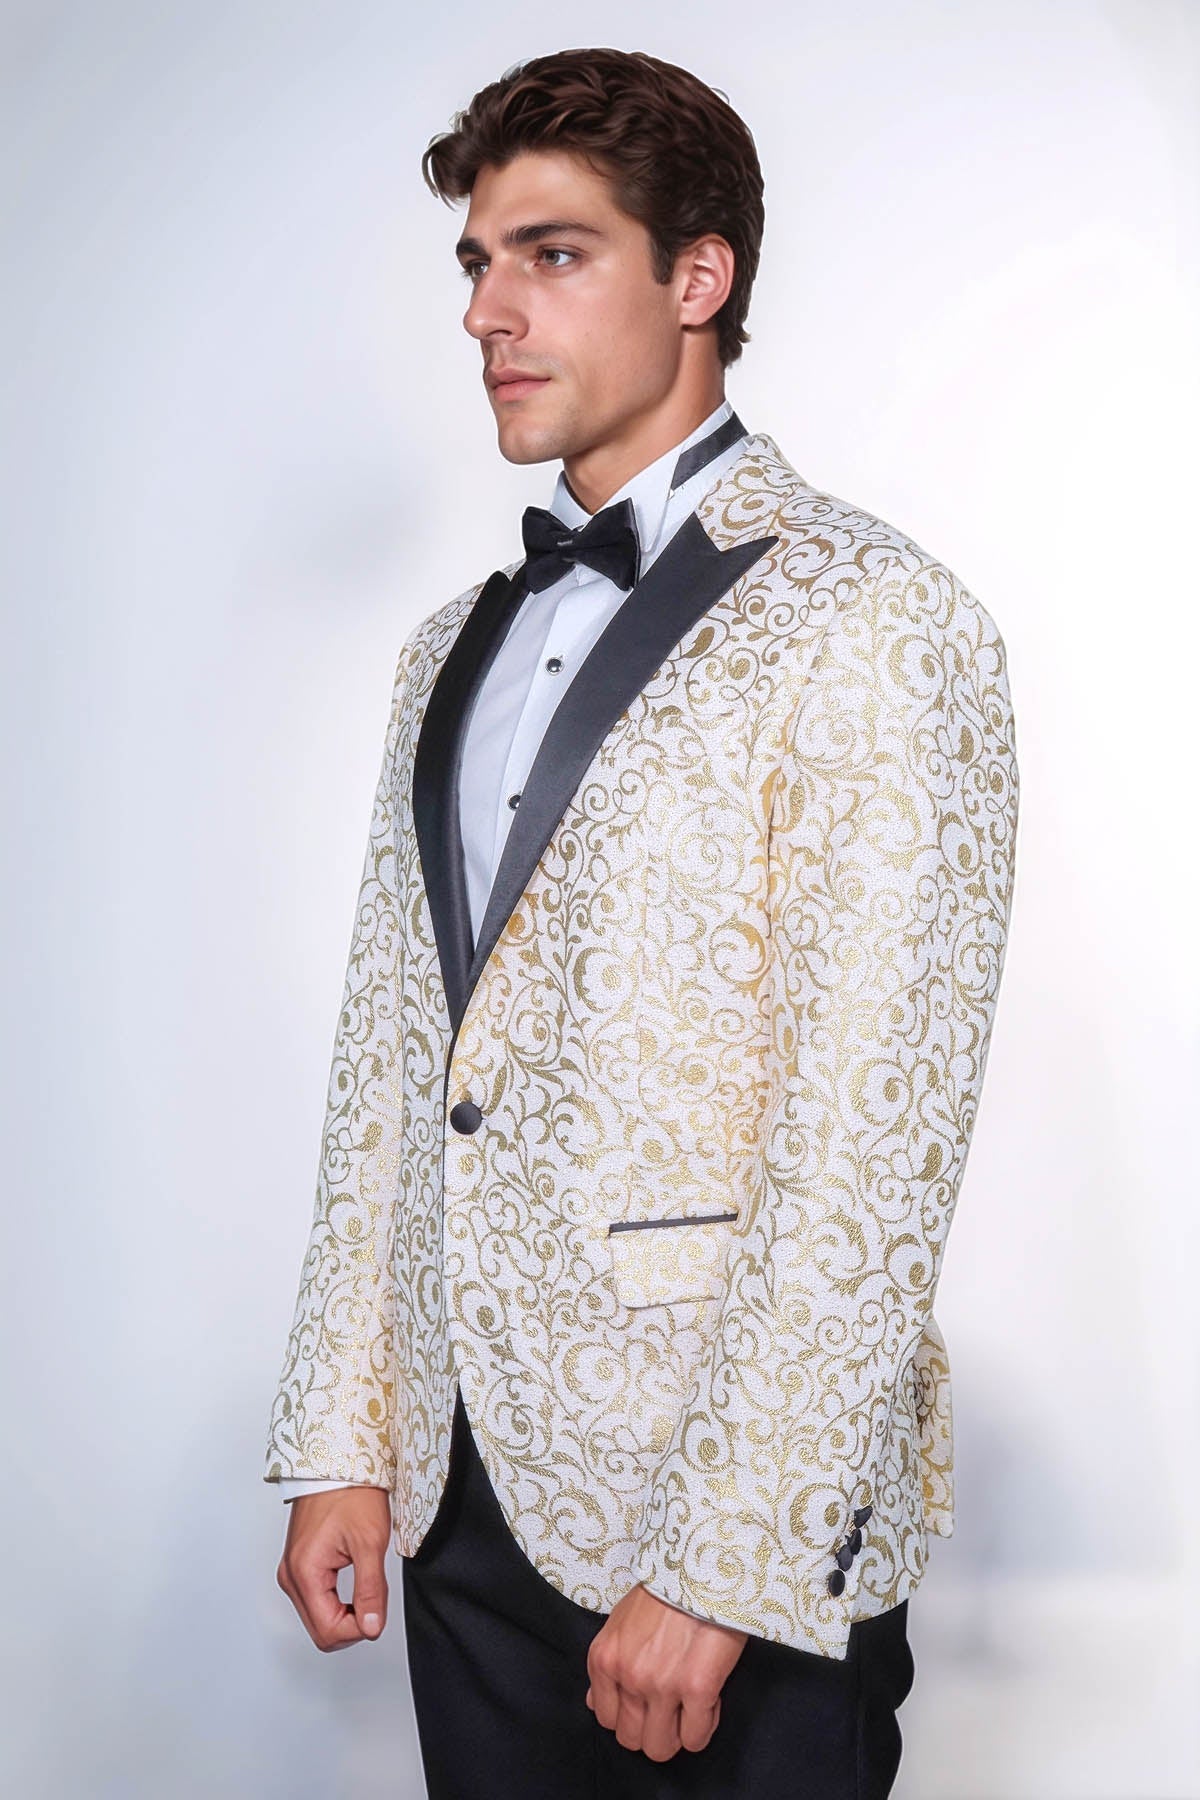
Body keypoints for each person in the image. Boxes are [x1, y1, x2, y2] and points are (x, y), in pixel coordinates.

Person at [264, 46, 1018, 1799]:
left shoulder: (878, 619)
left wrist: (725, 1562)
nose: (488, 312)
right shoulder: (445, 648)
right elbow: (393, 1054)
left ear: (699, 277)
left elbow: (875, 1140)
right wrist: (342, 1434)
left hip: (718, 1530)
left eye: (553, 254)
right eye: (478, 263)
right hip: (461, 1499)